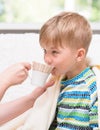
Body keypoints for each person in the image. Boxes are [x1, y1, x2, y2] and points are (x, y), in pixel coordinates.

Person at [39, 12, 98, 129]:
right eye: (44, 51)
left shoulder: (86, 88)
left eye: (54, 52)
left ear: (79, 55)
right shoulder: (61, 81)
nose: (46, 59)